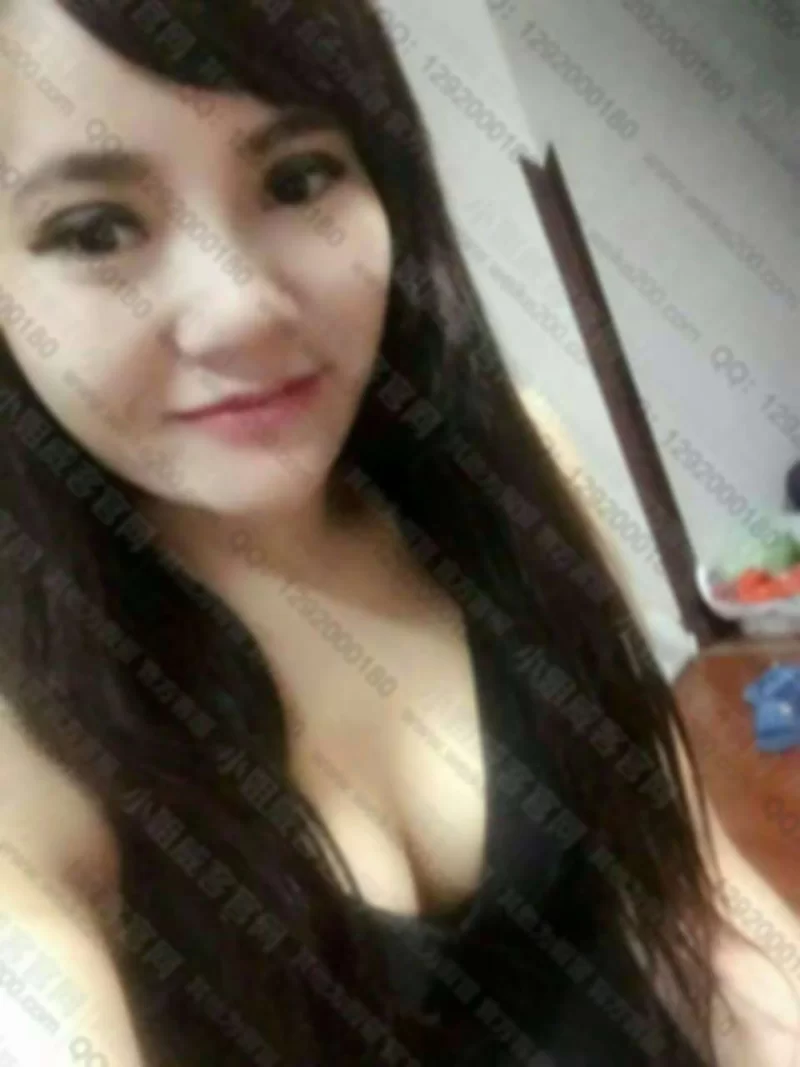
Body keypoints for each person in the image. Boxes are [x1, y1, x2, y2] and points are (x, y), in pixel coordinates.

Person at [0, 2, 796, 1065]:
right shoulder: (28, 724)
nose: (240, 307)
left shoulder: (509, 475)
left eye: (297, 178)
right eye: (95, 229)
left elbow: (694, 894)